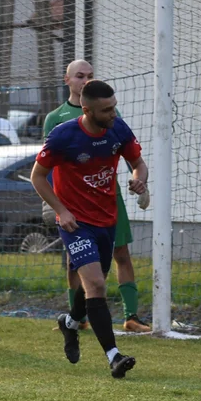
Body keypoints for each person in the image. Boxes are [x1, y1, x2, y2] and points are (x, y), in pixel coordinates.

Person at [31, 79, 148, 378]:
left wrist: (139, 178)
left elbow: (138, 162)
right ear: (86, 110)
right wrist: (61, 211)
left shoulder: (118, 128)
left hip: (107, 219)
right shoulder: (63, 136)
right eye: (106, 110)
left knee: (94, 284)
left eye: (113, 107)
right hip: (74, 222)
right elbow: (38, 177)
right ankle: (114, 356)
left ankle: (69, 324)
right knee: (96, 284)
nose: (113, 114)